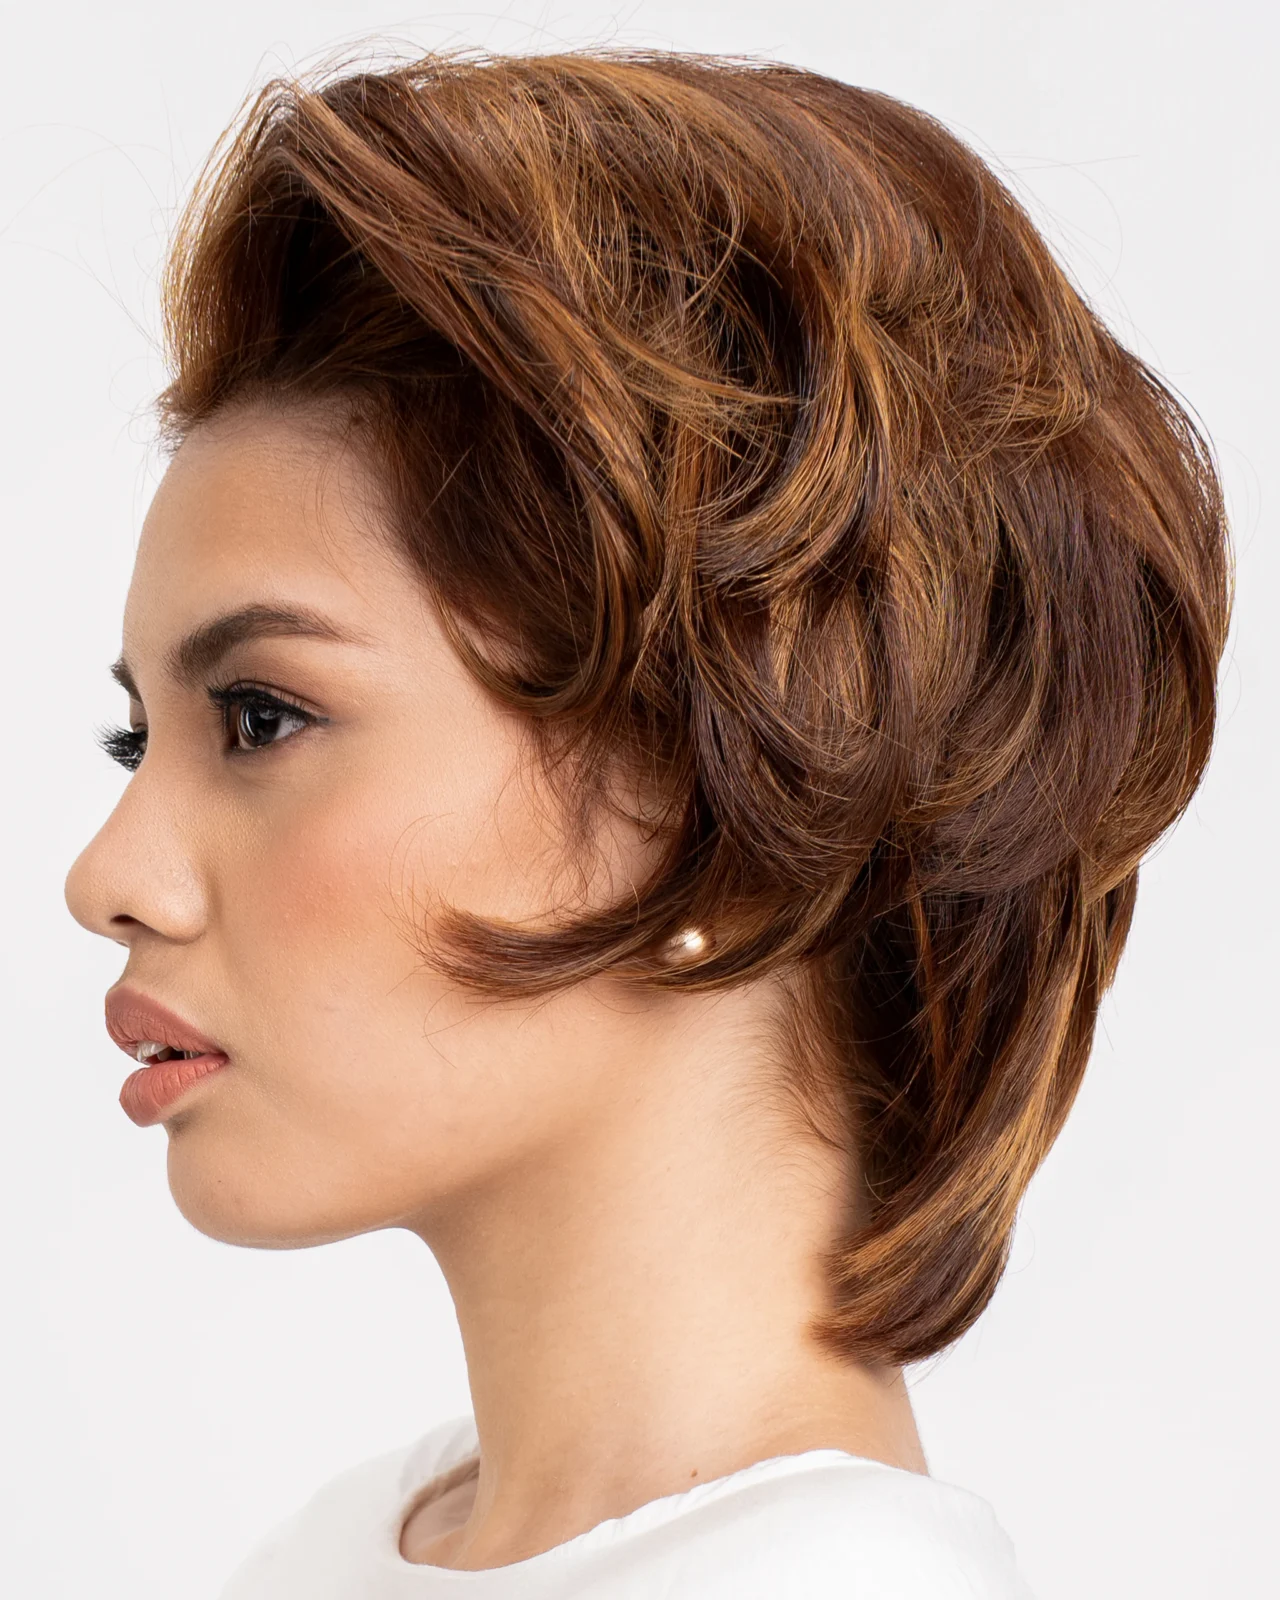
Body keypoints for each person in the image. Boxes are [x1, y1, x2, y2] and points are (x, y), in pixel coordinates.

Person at [63, 48, 1231, 1598]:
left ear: (722, 801)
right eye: (135, 738)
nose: (108, 877)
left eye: (262, 719)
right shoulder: (347, 1546)